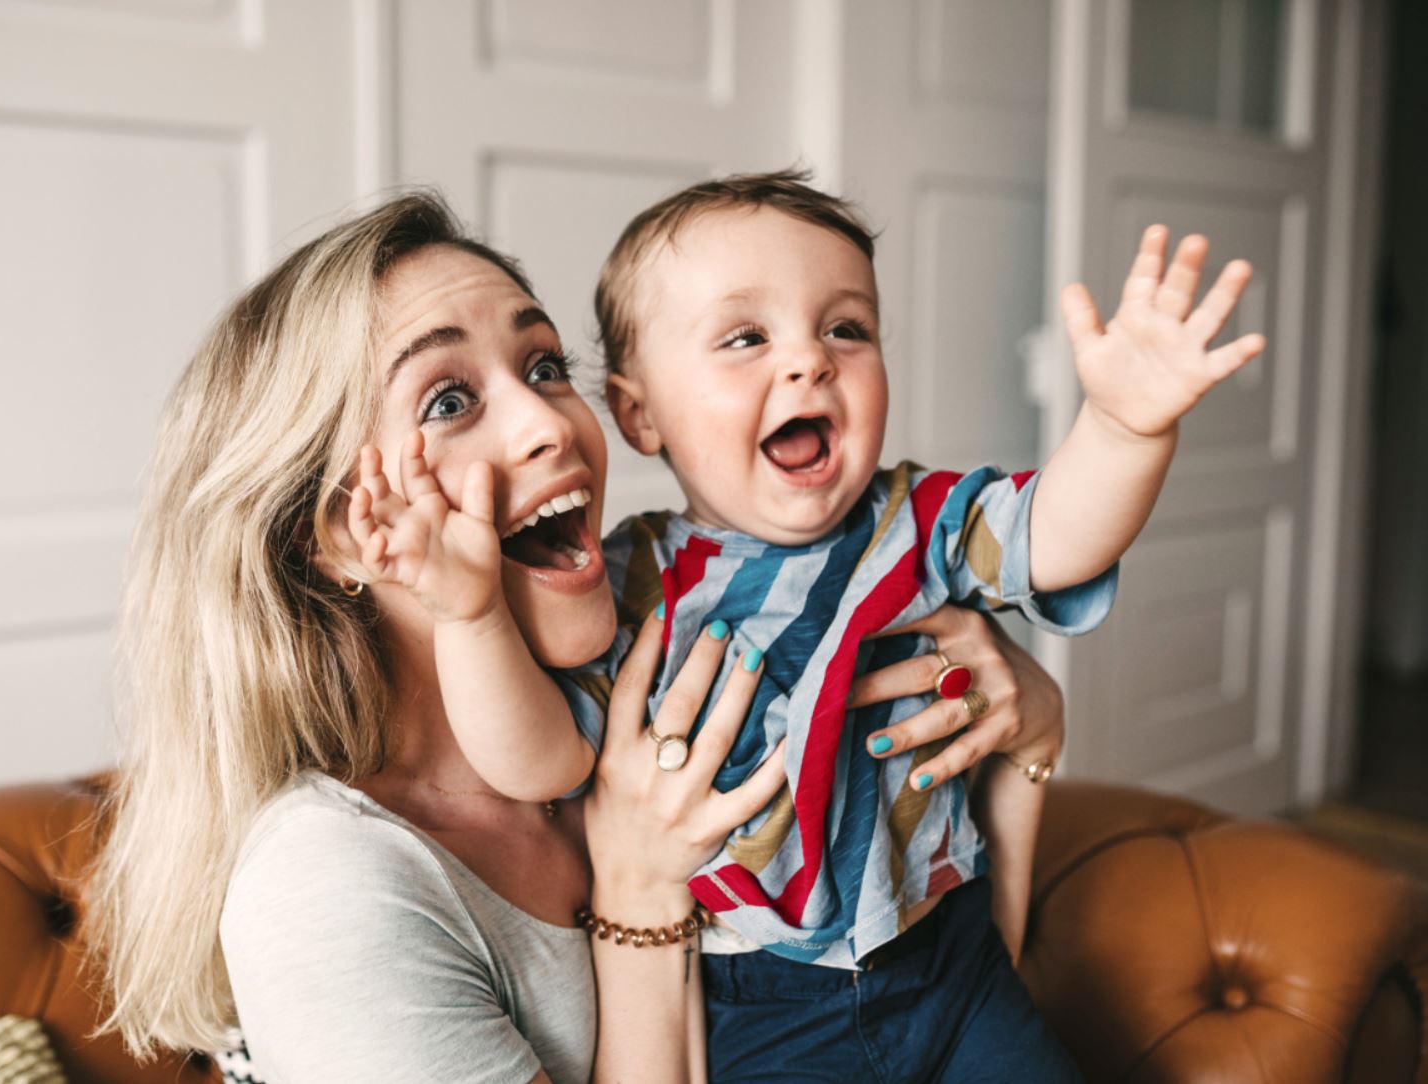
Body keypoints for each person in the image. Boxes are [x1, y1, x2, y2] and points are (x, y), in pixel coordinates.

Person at [81, 190, 1073, 1084]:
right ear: (344, 533)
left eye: (544, 365)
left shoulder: (657, 694)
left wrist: (1026, 735)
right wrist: (638, 891)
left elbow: (934, 987)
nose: (554, 423)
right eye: (449, 398)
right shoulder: (327, 892)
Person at [348, 172, 1263, 1079]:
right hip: (760, 1000)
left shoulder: (920, 519)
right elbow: (537, 762)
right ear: (638, 413)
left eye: (846, 328)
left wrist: (1123, 428)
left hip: (945, 952)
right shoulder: (629, 584)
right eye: (745, 337)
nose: (809, 360)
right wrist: (467, 614)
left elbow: (1055, 537)